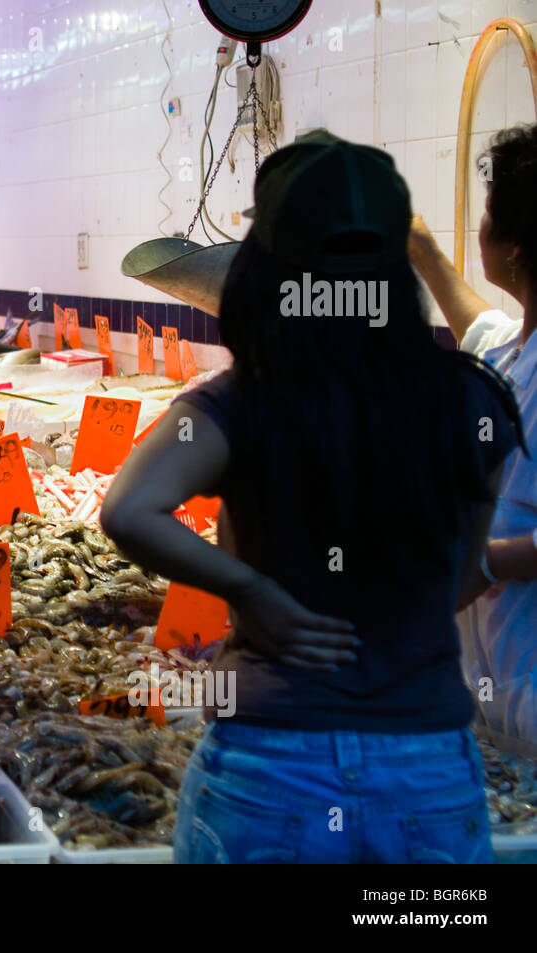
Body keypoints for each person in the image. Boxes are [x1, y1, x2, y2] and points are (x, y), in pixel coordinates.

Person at [98, 130, 523, 863]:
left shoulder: (244, 403)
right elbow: (463, 572)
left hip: (271, 769)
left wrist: (254, 590)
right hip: (426, 776)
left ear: (264, 270)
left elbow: (129, 509)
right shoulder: (472, 400)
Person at [409, 124, 537, 744]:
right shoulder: (519, 346)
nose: (480, 227)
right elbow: (478, 328)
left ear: (516, 246)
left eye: (488, 214)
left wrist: (488, 560)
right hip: (494, 686)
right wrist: (421, 248)